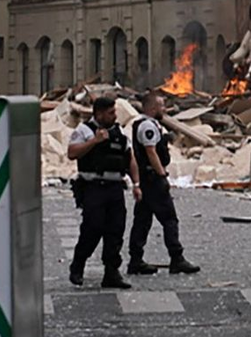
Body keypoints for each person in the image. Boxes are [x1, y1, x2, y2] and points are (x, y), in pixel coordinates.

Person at [68, 97, 141, 289]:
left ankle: (111, 273)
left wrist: (136, 184)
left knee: (115, 230)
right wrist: (95, 141)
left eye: (114, 112)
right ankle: (78, 266)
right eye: (110, 113)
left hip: (115, 187)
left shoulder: (118, 133)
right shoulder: (84, 131)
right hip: (93, 187)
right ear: (98, 114)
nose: (114, 116)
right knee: (92, 228)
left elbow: (130, 159)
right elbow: (72, 152)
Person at [127, 91, 200, 277]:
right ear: (152, 108)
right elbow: (151, 152)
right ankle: (177, 258)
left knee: (142, 220)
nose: (164, 109)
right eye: (161, 105)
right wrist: (162, 174)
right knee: (169, 219)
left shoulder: (145, 125)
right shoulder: (147, 127)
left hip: (146, 180)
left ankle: (135, 260)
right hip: (153, 180)